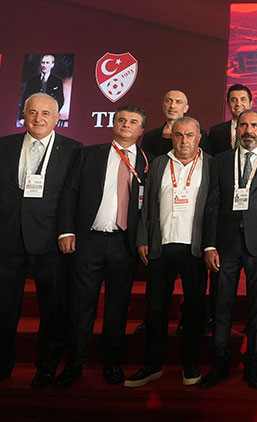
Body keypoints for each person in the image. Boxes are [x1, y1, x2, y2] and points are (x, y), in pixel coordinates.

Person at [55, 105, 151, 389]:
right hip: (89, 242)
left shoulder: (149, 162)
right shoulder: (88, 154)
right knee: (80, 306)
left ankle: (112, 362)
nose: (126, 125)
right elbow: (69, 194)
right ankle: (74, 364)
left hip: (125, 244)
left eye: (133, 122)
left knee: (117, 308)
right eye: (121, 120)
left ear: (141, 130)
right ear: (113, 123)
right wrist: (66, 231)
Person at [199, 109, 257, 390]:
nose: (248, 130)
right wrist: (209, 244)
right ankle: (219, 364)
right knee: (221, 306)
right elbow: (212, 204)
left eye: (254, 125)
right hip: (225, 245)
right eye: (243, 125)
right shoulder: (221, 160)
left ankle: (252, 365)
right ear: (236, 129)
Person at [124, 117, 213, 388]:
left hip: (194, 248)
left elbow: (215, 208)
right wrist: (143, 238)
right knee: (156, 308)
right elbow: (146, 205)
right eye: (178, 135)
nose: (184, 140)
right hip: (160, 245)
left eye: (189, 135)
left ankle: (190, 364)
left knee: (194, 308)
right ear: (171, 137)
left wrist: (211, 245)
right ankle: (153, 364)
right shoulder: (159, 164)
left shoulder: (211, 164)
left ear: (199, 137)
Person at [0, 93, 81, 388]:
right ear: (23, 115)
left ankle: (47, 365)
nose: (38, 119)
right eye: (32, 112)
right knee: (4, 307)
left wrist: (67, 231)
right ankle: (2, 363)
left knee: (52, 309)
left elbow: (72, 197)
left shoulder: (73, 150)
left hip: (50, 240)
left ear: (57, 118)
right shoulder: (4, 146)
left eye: (46, 113)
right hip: (7, 238)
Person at [205, 84, 257, 155]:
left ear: (250, 103)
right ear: (228, 104)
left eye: (243, 99)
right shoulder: (216, 132)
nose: (238, 104)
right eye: (233, 100)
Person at [140, 90, 208, 157]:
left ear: (186, 108)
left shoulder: (199, 134)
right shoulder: (150, 136)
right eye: (168, 101)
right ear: (163, 106)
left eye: (178, 102)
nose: (172, 106)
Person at [19, 55, 64, 122]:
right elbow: (25, 99)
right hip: (32, 115)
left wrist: (52, 114)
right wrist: (22, 117)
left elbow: (60, 100)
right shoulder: (32, 81)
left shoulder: (57, 81)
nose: (44, 65)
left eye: (47, 63)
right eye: (43, 62)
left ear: (52, 65)